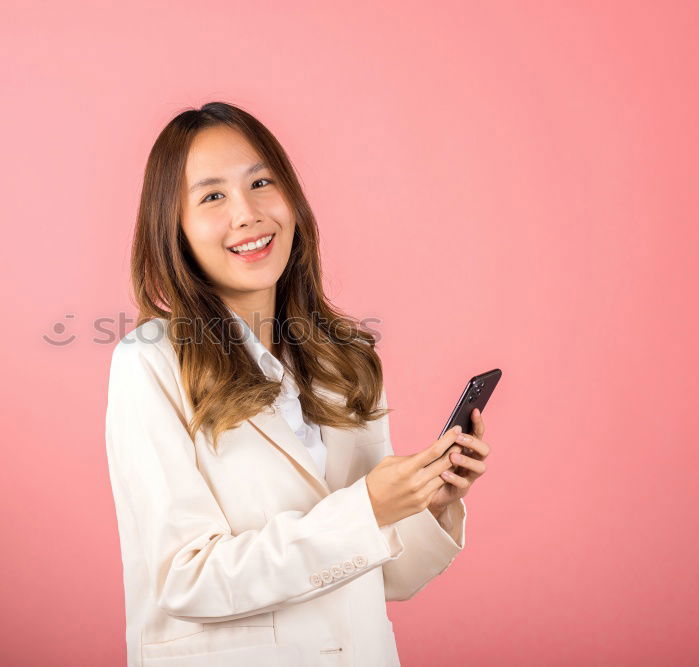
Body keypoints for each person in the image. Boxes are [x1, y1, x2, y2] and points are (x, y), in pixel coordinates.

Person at [104, 101, 490, 666]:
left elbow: (384, 578)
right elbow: (184, 580)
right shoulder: (150, 362)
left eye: (262, 182)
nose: (248, 213)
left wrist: (427, 504)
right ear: (174, 229)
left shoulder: (347, 361)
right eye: (212, 196)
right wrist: (366, 509)